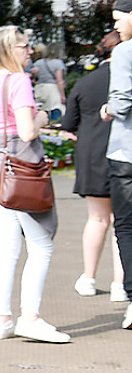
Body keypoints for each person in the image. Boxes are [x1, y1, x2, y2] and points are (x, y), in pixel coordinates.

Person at [0, 26, 69, 343]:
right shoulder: (18, 81)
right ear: (10, 49)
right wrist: (45, 117)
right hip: (22, 170)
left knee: (7, 247)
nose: (29, 51)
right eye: (25, 46)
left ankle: (2, 320)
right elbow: (26, 132)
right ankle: (30, 318)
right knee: (41, 245)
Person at [60, 31, 125, 303]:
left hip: (92, 157)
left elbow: (68, 125)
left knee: (97, 219)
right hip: (124, 154)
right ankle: (121, 284)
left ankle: (88, 277)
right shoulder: (127, 79)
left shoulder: (85, 83)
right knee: (124, 223)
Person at [105, 0, 132, 329]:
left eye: (119, 18)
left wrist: (107, 109)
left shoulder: (125, 52)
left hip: (126, 153)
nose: (115, 25)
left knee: (126, 226)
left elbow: (122, 102)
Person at [28, 41, 67, 124]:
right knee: (56, 110)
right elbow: (59, 80)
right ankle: (54, 126)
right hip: (52, 89)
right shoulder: (58, 63)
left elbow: (33, 77)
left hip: (39, 88)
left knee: (42, 110)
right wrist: (62, 95)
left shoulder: (38, 63)